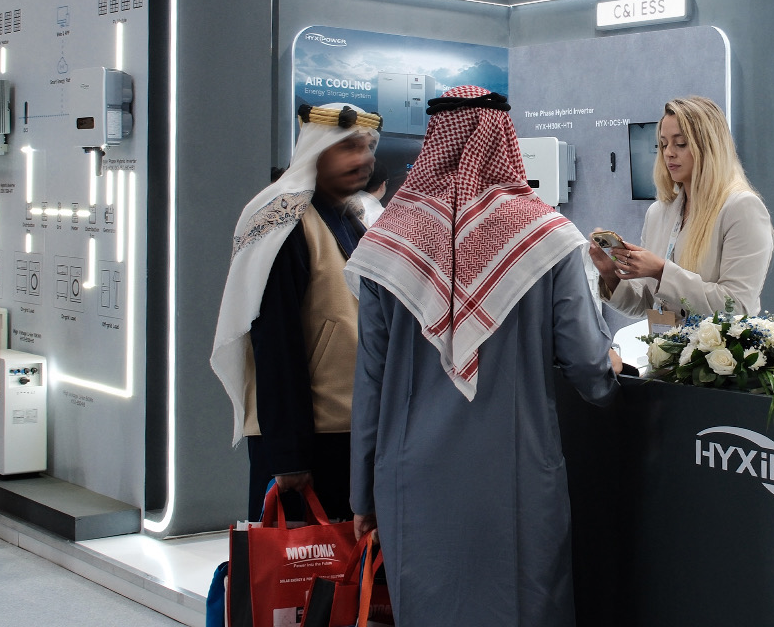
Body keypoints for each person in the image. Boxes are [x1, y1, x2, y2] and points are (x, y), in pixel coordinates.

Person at [347, 86, 620, 627]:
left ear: (435, 140)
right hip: (516, 476)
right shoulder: (546, 237)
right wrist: (609, 380)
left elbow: (370, 383)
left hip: (411, 477)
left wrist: (362, 493)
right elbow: (588, 364)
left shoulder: (387, 243)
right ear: (504, 140)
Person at [212, 103, 380, 523]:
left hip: (348, 426)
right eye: (348, 147)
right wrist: (288, 454)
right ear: (316, 151)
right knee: (297, 556)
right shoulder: (282, 218)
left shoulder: (353, 215)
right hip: (306, 435)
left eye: (368, 147)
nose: (363, 159)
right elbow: (275, 340)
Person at [593, 96, 773, 318]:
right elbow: (648, 303)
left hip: (720, 342)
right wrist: (611, 275)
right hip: (666, 341)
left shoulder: (741, 208)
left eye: (680, 144)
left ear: (709, 147)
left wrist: (661, 271)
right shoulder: (657, 213)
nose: (668, 153)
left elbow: (736, 305)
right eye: (663, 144)